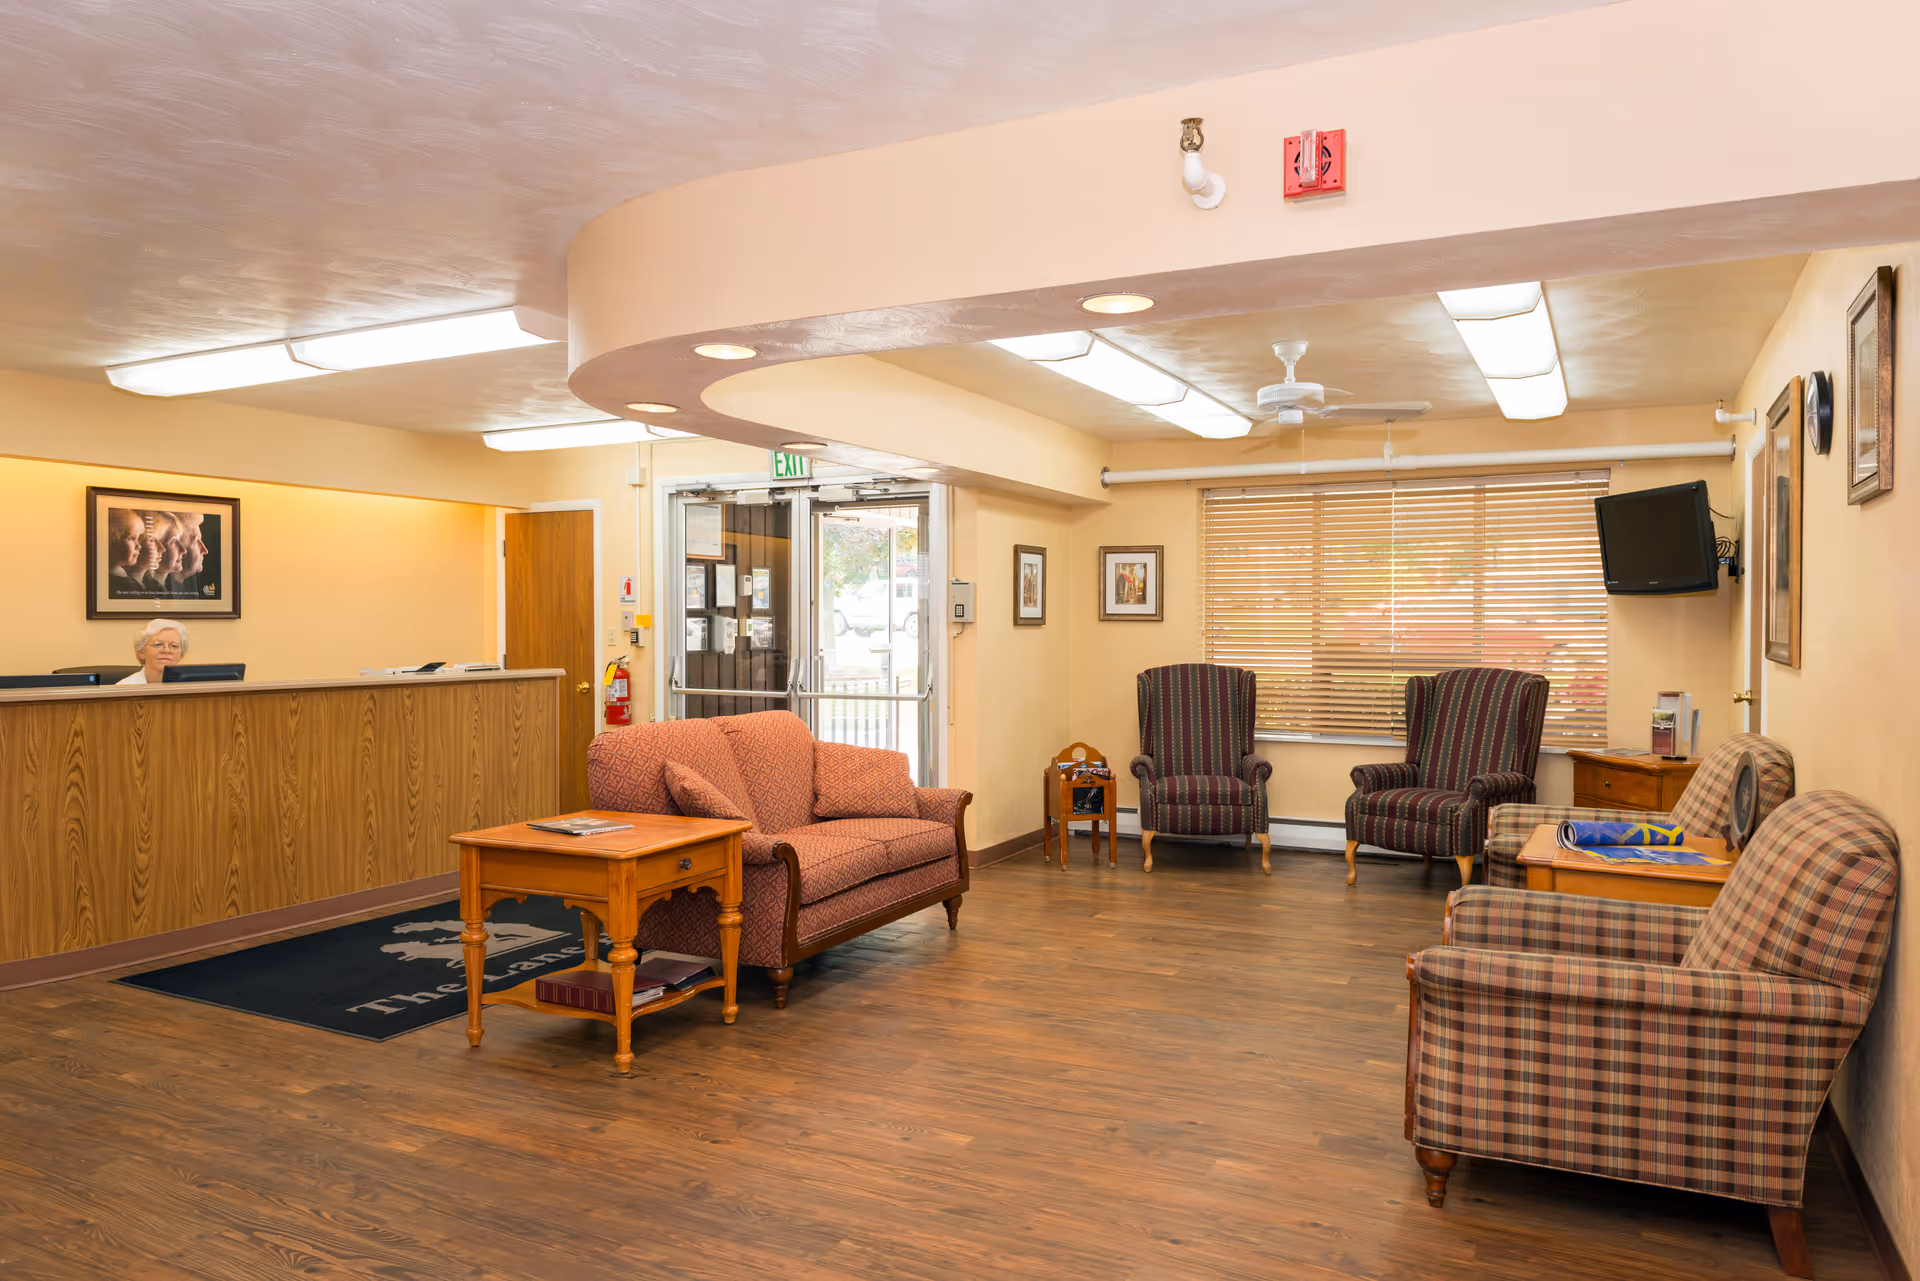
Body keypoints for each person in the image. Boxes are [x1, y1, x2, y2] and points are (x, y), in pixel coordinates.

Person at [119, 619, 189, 684]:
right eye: (158, 644)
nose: (166, 650)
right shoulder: (123, 688)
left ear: (181, 654)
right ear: (141, 652)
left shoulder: (191, 688)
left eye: (174, 646)